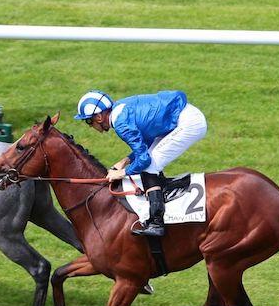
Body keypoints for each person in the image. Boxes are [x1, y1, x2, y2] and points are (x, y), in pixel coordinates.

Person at [74, 89, 207, 237]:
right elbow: (147, 140)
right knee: (150, 160)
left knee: (150, 166)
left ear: (99, 117)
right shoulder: (120, 109)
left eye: (88, 121)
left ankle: (156, 223)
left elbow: (144, 160)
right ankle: (161, 192)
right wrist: (125, 161)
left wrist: (122, 172)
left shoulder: (121, 124)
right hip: (182, 117)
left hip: (188, 124)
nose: (90, 126)